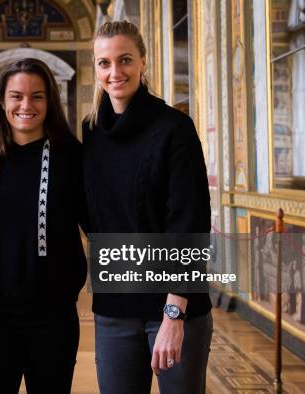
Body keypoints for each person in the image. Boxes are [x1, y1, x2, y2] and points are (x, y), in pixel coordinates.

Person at [83, 21, 213, 394]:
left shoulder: (174, 128)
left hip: (172, 308)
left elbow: (189, 224)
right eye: (104, 63)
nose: (114, 72)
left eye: (124, 60)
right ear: (96, 69)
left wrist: (174, 314)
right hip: (114, 310)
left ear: (142, 62)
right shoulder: (91, 132)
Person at [0, 58, 87, 393]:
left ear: (50, 101)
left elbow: (103, 222)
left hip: (54, 317)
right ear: (2, 101)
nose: (26, 105)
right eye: (16, 96)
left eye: (37, 96)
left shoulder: (72, 157)